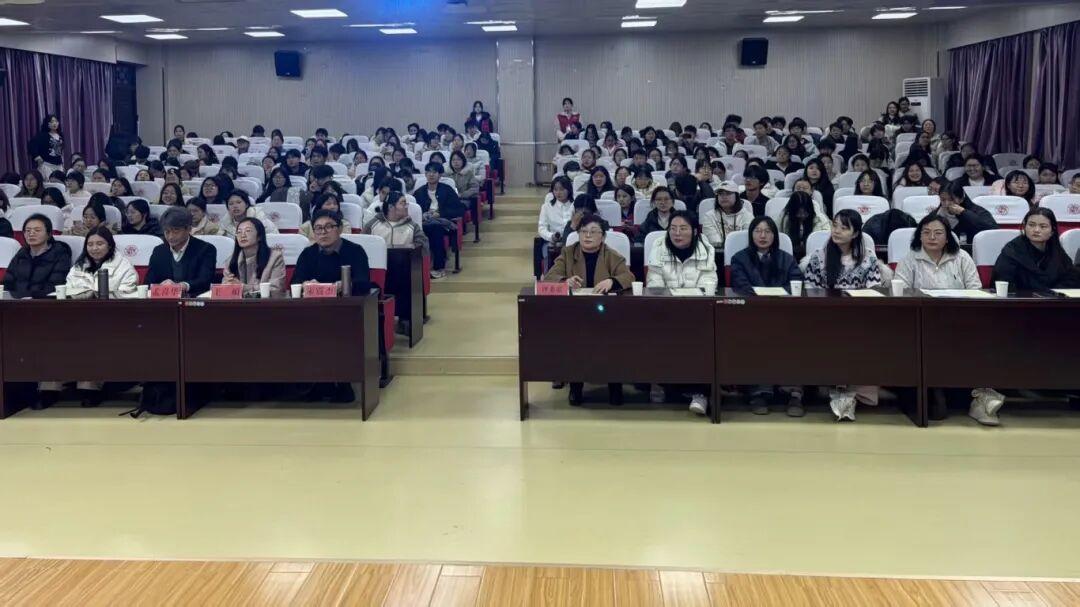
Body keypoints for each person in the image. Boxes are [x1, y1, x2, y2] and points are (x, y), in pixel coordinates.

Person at [543, 214, 635, 406]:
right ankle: (576, 387)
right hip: (575, 313)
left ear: (603, 236)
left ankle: (615, 386)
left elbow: (629, 277)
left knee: (612, 341)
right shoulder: (568, 253)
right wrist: (565, 281)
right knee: (576, 339)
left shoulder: (611, 255)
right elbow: (550, 276)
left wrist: (612, 281)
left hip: (606, 314)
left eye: (593, 232)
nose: (587, 236)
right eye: (583, 231)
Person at [803, 210, 882, 421]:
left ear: (855, 233)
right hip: (825, 317)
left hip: (859, 317)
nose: (836, 231)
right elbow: (810, 291)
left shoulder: (868, 257)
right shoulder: (819, 256)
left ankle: (852, 393)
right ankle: (838, 390)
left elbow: (874, 292)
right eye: (835, 225)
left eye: (844, 228)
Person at [729, 216, 806, 416]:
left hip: (784, 315)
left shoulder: (786, 259)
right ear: (751, 234)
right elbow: (740, 287)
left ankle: (794, 393)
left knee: (796, 338)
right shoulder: (739, 258)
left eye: (767, 231)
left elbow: (795, 284)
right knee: (755, 338)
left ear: (775, 235)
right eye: (758, 231)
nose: (762, 236)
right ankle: (760, 392)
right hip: (751, 315)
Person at [645, 210, 717, 415]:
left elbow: (709, 281)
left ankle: (700, 393)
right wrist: (670, 305)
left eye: (683, 229)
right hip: (665, 310)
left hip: (696, 311)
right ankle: (660, 383)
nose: (677, 233)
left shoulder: (706, 248)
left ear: (694, 231)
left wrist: (690, 306)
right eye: (673, 229)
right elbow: (654, 282)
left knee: (704, 336)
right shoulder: (659, 246)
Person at [992, 208, 1080, 291]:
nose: (1036, 230)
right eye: (1031, 225)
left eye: (1043, 226)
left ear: (1052, 231)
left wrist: (1053, 293)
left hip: (1052, 299)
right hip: (1021, 299)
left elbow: (1071, 278)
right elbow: (1003, 281)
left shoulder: (1056, 250)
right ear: (1024, 227)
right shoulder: (1012, 251)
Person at [144, 207, 216, 296]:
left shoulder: (206, 249)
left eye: (175, 231)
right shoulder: (159, 251)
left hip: (194, 299)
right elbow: (149, 282)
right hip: (164, 300)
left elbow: (205, 280)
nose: (170, 237)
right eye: (167, 232)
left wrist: (183, 286)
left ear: (188, 229)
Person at [414, 162, 464, 279]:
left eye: (434, 172)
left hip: (443, 223)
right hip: (424, 223)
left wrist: (440, 213)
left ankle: (439, 267)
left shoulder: (447, 190)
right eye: (428, 172)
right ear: (425, 174)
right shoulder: (419, 192)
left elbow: (459, 209)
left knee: (435, 229)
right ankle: (419, 267)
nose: (431, 175)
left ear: (440, 175)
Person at [3, 213, 71, 299]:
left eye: (37, 230)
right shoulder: (22, 253)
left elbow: (55, 285)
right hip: (17, 302)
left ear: (49, 234)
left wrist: (31, 297)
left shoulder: (60, 253)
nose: (31, 234)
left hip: (43, 302)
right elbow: (8, 282)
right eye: (28, 231)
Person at [222, 217, 285, 298]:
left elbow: (276, 290)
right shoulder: (231, 261)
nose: (242, 235)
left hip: (265, 304)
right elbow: (225, 288)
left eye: (248, 231)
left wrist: (243, 287)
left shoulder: (275, 258)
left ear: (259, 236)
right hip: (237, 304)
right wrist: (227, 285)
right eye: (239, 232)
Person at [364, 190, 430, 252]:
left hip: (404, 259)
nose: (406, 206)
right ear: (391, 207)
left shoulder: (413, 227)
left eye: (406, 204)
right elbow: (363, 244)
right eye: (403, 204)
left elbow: (424, 245)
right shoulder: (372, 225)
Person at [701, 181, 752, 252]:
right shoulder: (709, 216)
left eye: (728, 193)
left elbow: (746, 240)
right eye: (720, 194)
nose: (724, 197)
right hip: (717, 253)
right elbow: (713, 241)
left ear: (736, 196)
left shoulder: (747, 216)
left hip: (741, 252)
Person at [780, 191, 830, 260]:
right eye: (799, 213)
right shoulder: (784, 219)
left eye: (805, 212)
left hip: (813, 256)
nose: (802, 215)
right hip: (789, 256)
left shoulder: (821, 220)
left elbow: (824, 244)